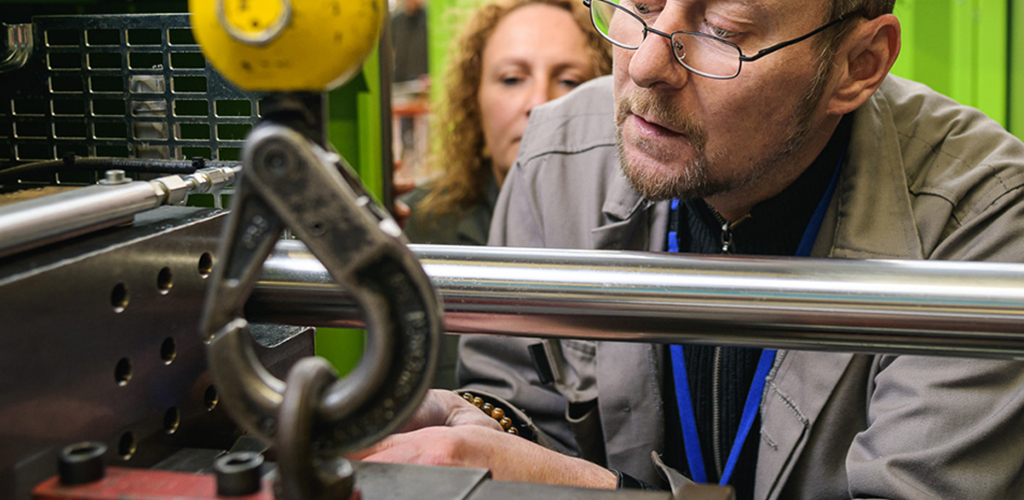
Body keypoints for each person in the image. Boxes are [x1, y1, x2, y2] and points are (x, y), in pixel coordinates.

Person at [356, 0, 1024, 498]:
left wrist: (596, 493)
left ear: (858, 65)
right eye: (642, 5)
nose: (646, 64)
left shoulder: (978, 221)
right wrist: (485, 427)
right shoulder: (558, 160)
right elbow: (529, 411)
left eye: (723, 31)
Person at [401, 0, 612, 246]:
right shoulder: (416, 225)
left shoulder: (634, 228)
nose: (538, 104)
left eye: (569, 81)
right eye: (512, 79)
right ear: (474, 97)